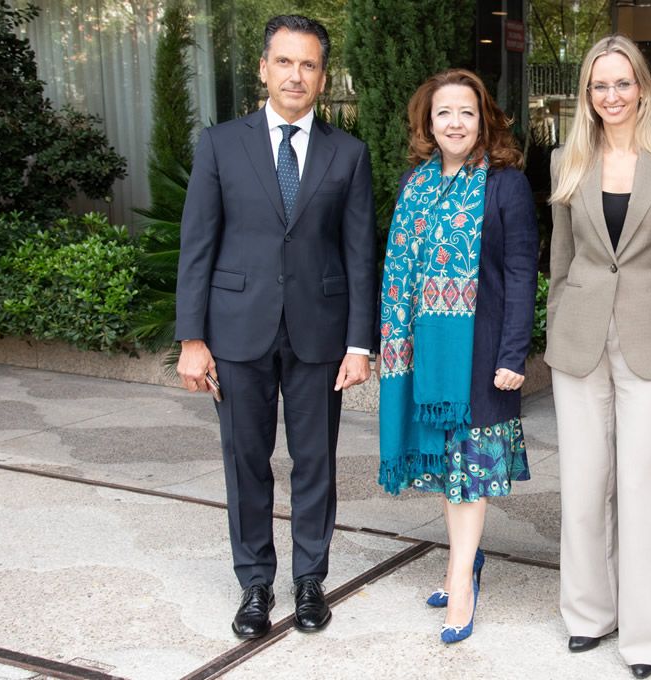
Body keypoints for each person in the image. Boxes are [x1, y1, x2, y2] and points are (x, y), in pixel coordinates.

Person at [174, 15, 375, 639]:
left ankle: (310, 579)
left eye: (309, 64)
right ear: (264, 69)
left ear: (322, 76)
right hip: (237, 330)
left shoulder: (348, 152)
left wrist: (360, 341)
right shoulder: (220, 144)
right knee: (246, 460)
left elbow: (359, 252)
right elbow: (197, 245)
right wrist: (191, 339)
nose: (296, 75)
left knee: (315, 460)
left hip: (320, 331)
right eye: (285, 62)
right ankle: (255, 584)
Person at [547, 35, 651, 680]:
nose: (611, 96)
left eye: (622, 83)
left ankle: (645, 638)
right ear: (586, 94)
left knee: (645, 495)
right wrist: (556, 327)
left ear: (643, 88)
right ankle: (588, 614)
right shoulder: (568, 159)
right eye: (599, 85)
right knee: (584, 490)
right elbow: (561, 261)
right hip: (579, 343)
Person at [376, 69, 537, 645]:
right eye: (444, 113)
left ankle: (460, 581)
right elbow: (401, 273)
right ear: (428, 122)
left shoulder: (505, 185)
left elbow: (521, 274)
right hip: (425, 356)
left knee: (466, 472)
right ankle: (465, 561)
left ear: (484, 119)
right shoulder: (413, 184)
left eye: (466, 112)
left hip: (482, 354)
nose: (455, 123)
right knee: (449, 472)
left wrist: (515, 352)